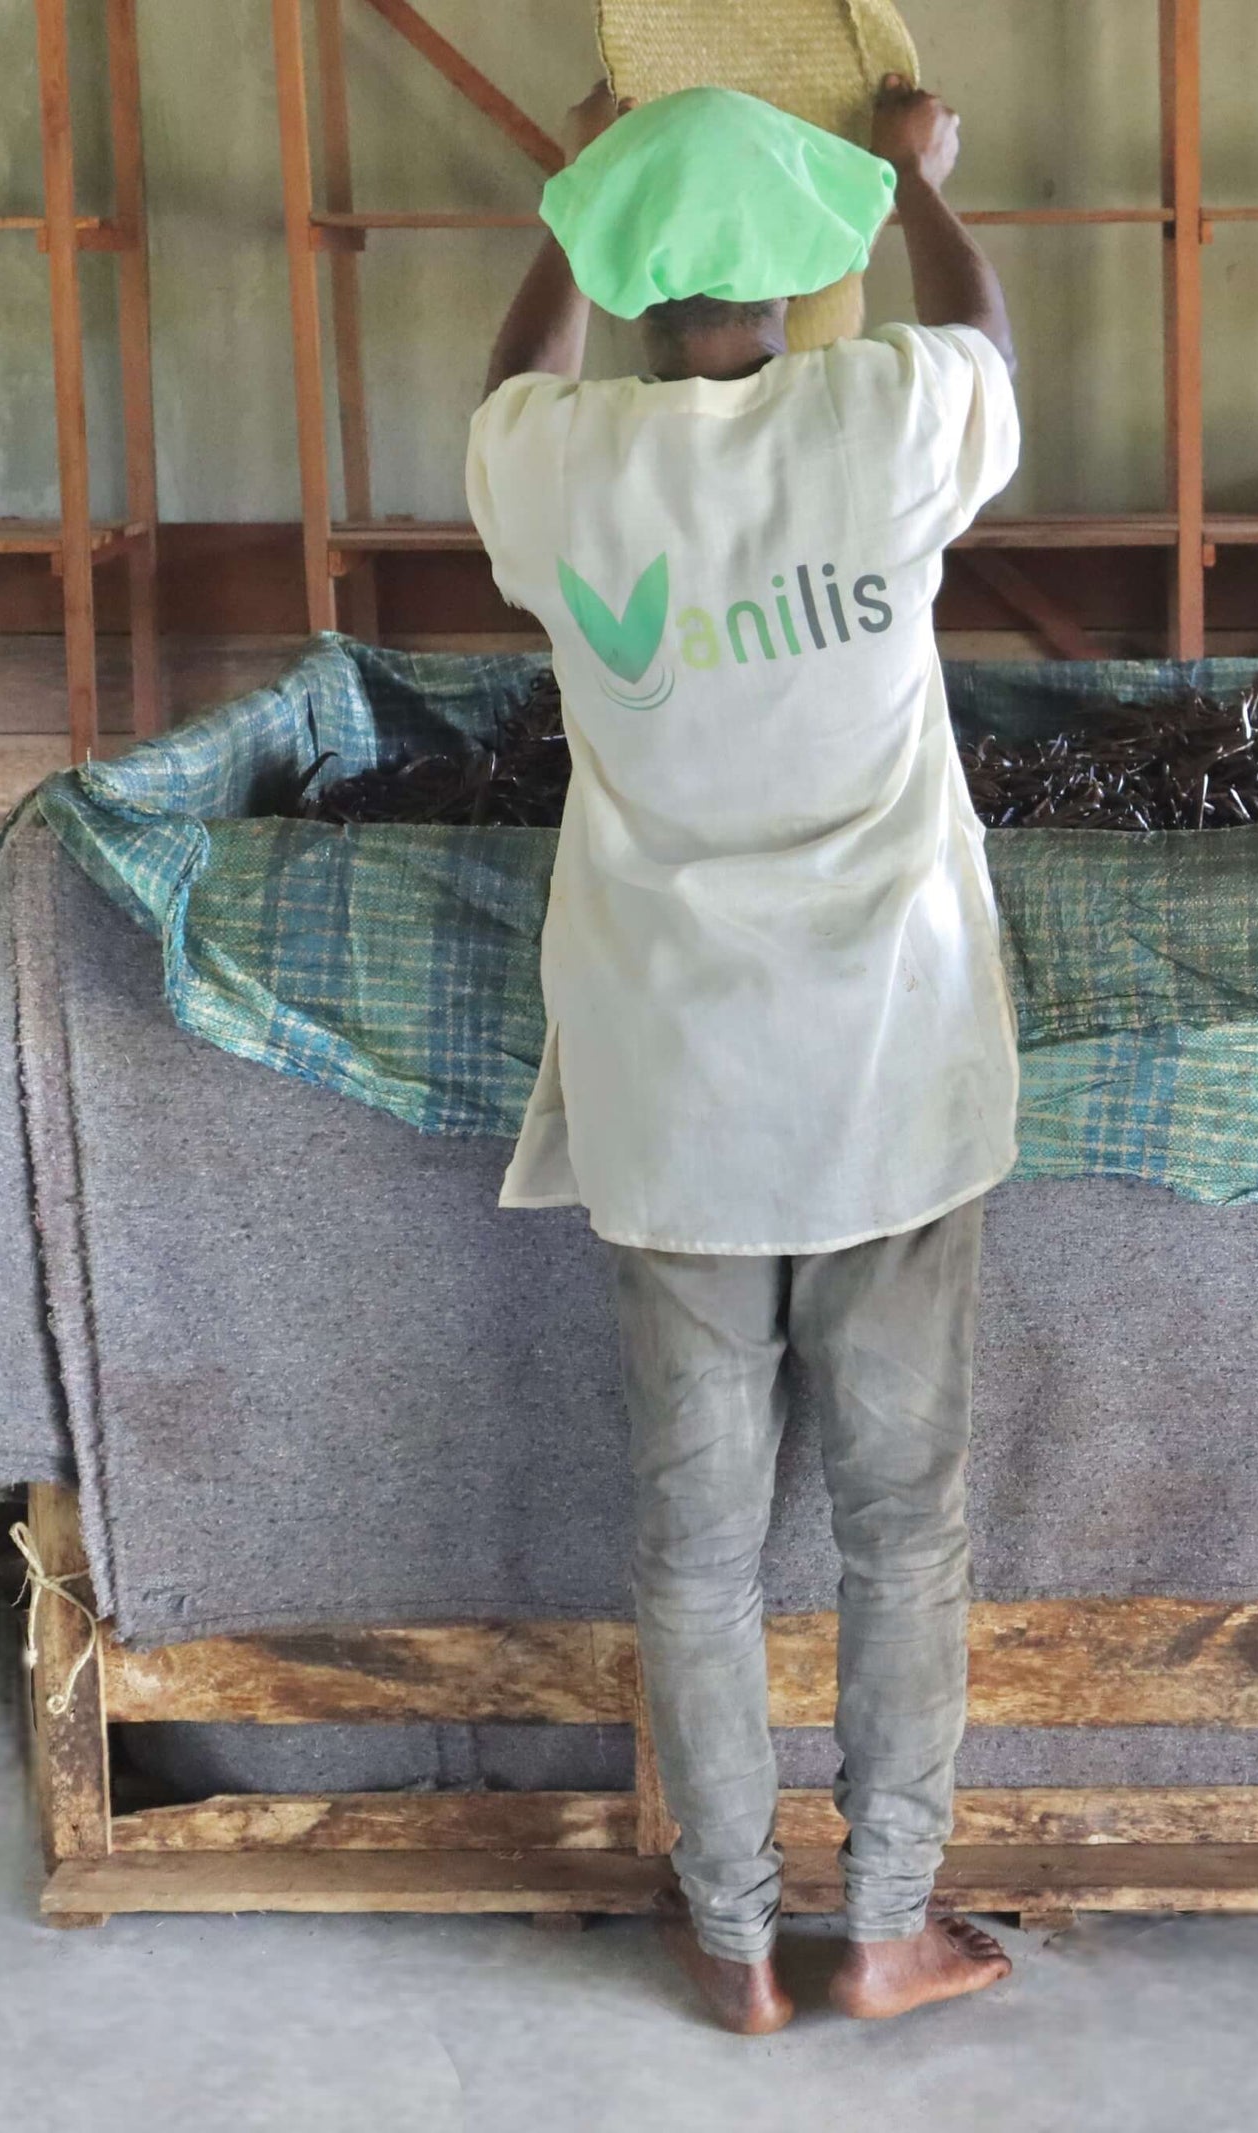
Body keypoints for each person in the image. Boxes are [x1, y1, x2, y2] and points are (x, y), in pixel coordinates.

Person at [464, 77, 1023, 2033]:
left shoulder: (563, 468)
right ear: (811, 271)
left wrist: (573, 200)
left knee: (694, 1545)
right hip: (885, 1061)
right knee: (902, 1520)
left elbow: (504, 383)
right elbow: (979, 343)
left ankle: (726, 1936)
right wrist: (917, 189)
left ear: (622, 279)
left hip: (672, 1078)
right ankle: (882, 1921)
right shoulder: (878, 418)